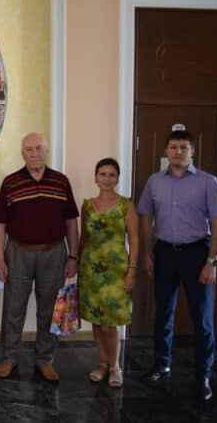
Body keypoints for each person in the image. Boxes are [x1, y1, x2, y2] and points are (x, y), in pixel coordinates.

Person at [137, 130, 217, 402]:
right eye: (173, 147)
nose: (178, 152)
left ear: (192, 152)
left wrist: (212, 261)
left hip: (197, 254)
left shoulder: (207, 182)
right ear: (166, 151)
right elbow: (145, 216)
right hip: (164, 253)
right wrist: (148, 253)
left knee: (202, 319)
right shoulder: (154, 181)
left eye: (183, 147)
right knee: (163, 312)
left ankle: (203, 376)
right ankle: (162, 364)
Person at [0, 132, 79, 383]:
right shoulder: (10, 183)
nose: (34, 154)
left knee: (49, 311)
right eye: (29, 149)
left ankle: (45, 360)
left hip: (54, 253)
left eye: (38, 148)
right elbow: (0, 224)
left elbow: (71, 221)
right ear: (22, 153)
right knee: (13, 309)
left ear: (46, 151)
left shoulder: (61, 182)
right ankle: (9, 358)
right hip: (18, 253)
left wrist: (73, 256)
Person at [78, 158, 139, 387]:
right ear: (95, 177)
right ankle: (102, 363)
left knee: (109, 322)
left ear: (117, 178)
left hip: (116, 272)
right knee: (96, 319)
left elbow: (135, 240)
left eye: (112, 174)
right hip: (90, 270)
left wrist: (132, 270)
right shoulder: (87, 205)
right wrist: (76, 264)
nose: (107, 179)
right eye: (102, 174)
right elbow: (84, 238)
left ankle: (115, 366)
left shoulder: (126, 206)